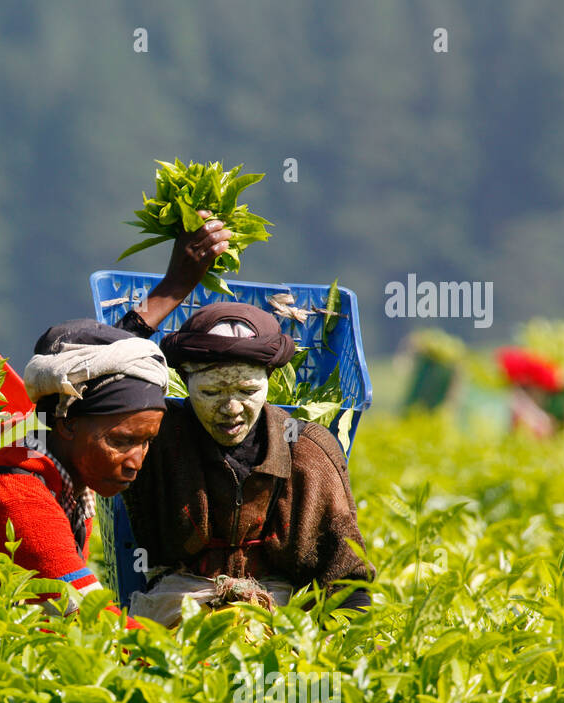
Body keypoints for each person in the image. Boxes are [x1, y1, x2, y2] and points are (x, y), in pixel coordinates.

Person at [110, 222, 374, 626]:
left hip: (276, 622)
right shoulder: (158, 436)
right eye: (212, 392)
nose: (231, 409)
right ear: (185, 383)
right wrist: (172, 287)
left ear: (270, 384)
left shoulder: (308, 451)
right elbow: (91, 382)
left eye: (248, 391)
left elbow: (348, 577)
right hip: (174, 613)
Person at [0, 319, 174, 613]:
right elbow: (93, 619)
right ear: (68, 424)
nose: (135, 462)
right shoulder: (19, 498)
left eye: (146, 442)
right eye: (121, 441)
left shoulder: (71, 487)